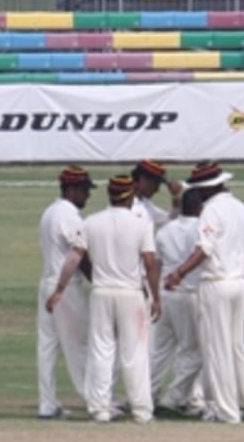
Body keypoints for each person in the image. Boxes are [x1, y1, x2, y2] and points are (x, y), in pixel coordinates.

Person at [48, 174, 161, 424]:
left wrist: (59, 289)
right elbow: (150, 263)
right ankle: (142, 410)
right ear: (130, 196)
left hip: (101, 292)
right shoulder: (141, 223)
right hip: (130, 293)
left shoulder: (91, 222)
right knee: (135, 352)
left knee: (101, 351)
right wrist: (155, 297)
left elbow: (75, 258)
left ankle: (99, 409)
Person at [165, 162, 244, 424]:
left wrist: (179, 273)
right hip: (239, 283)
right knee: (238, 347)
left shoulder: (211, 211)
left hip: (217, 283)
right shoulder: (242, 209)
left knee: (217, 348)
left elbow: (204, 249)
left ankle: (227, 412)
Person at [37, 166, 96, 419]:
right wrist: (96, 279)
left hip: (47, 282)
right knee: (80, 345)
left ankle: (47, 404)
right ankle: (95, 401)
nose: (88, 196)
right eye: (84, 190)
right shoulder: (69, 215)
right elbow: (78, 253)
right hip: (65, 287)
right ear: (72, 189)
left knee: (47, 346)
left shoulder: (50, 211)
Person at [150, 188, 205, 416]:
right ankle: (175, 396)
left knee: (160, 350)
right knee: (196, 351)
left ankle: (146, 395)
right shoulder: (201, 229)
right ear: (201, 208)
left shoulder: (165, 230)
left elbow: (156, 265)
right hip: (189, 293)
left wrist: (155, 297)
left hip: (165, 293)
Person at [130, 159, 183, 229]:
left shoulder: (145, 204)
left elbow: (170, 220)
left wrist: (176, 196)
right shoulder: (127, 204)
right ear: (143, 179)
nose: (157, 190)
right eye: (155, 184)